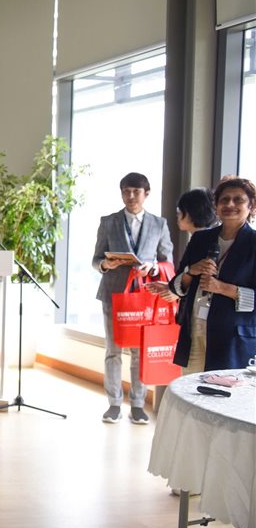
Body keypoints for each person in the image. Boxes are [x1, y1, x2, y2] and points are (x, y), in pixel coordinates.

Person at [92, 172, 174, 424]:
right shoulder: (108, 222)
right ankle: (114, 403)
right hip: (114, 295)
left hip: (145, 296)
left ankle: (138, 404)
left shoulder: (159, 224)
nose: (130, 196)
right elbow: (96, 260)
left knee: (139, 352)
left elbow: (167, 261)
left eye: (136, 191)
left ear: (146, 194)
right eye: (126, 191)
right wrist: (106, 264)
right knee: (113, 350)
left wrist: (153, 267)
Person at [164, 176, 255, 374]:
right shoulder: (201, 239)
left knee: (220, 392)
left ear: (251, 206)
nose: (230, 204)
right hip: (194, 331)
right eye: (224, 199)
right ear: (216, 205)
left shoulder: (253, 244)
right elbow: (175, 287)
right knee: (189, 388)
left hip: (231, 339)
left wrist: (221, 288)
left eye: (238, 200)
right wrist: (191, 271)